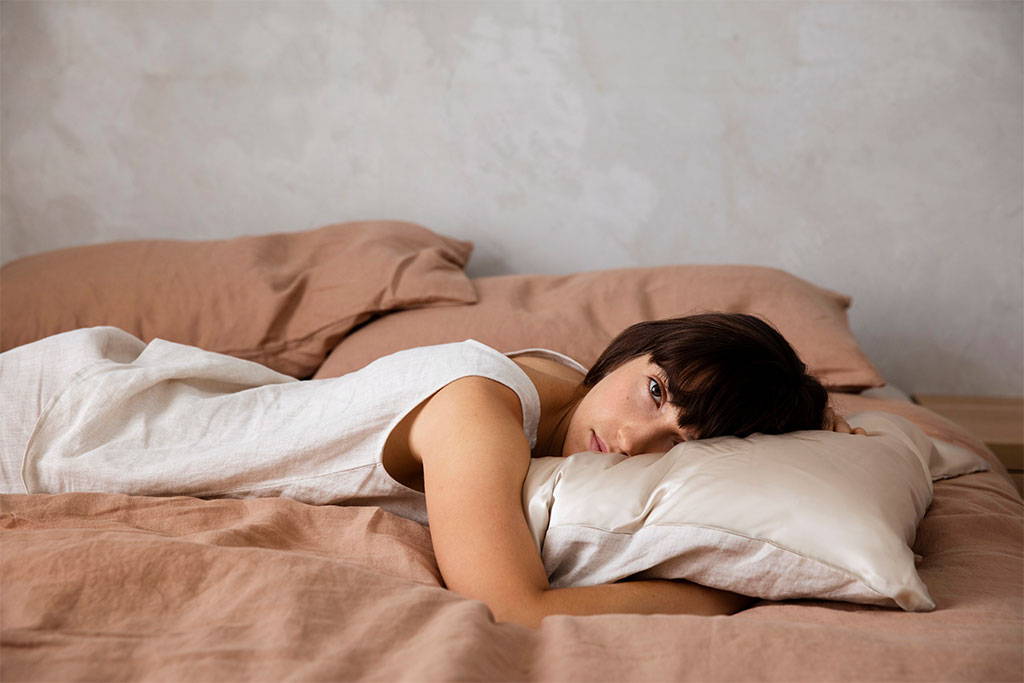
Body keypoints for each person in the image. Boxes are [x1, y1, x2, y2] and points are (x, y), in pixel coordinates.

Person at [0, 312, 864, 628]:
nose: (640, 441)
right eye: (653, 391)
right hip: (64, 427)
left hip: (115, 394)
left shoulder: (561, 382)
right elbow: (513, 607)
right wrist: (722, 594)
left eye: (684, 436)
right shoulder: (479, 413)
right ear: (629, 350)